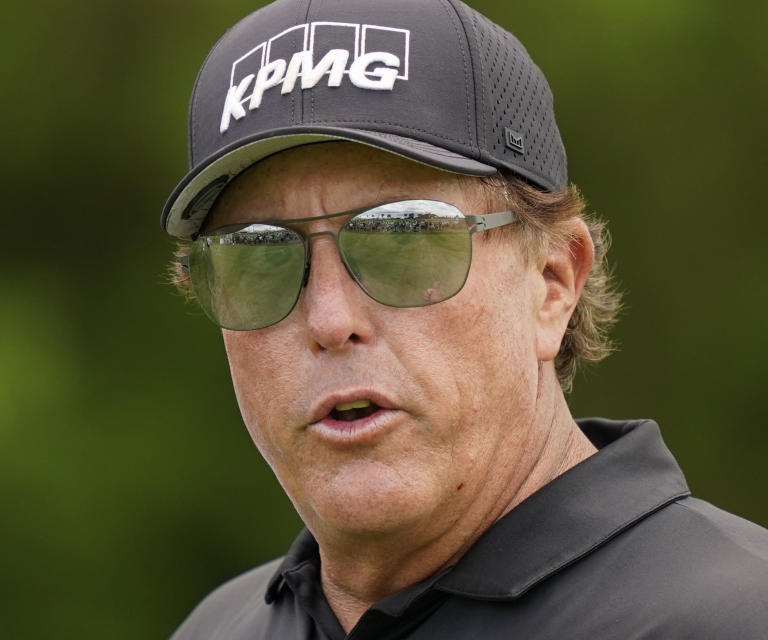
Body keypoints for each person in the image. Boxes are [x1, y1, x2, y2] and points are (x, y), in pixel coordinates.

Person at [160, 1, 768, 638]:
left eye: (403, 237)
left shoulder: (730, 619)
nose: (331, 319)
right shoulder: (218, 628)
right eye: (260, 254)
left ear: (553, 282)